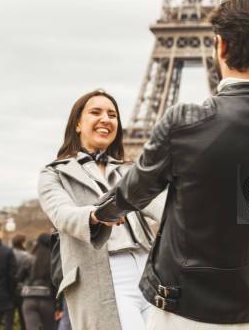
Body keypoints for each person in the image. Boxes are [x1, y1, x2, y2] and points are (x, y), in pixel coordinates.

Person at [95, 0, 249, 329]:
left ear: (221, 46)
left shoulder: (184, 122)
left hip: (185, 306)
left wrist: (100, 213)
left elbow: (132, 193)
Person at [38, 89, 163, 330]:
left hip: (149, 270)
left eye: (112, 114)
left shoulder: (130, 171)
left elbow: (162, 206)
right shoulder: (54, 174)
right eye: (95, 112)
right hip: (104, 272)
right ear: (77, 124)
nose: (106, 119)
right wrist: (95, 215)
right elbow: (61, 214)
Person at [17, 233, 56, 330]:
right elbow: (56, 282)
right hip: (47, 300)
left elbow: (18, 278)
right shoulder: (53, 260)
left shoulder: (29, 259)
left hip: (29, 299)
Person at [12, 234, 31, 330]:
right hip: (22, 291)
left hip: (9, 291)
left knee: (9, 320)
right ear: (22, 243)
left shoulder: (8, 253)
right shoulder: (27, 256)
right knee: (24, 320)